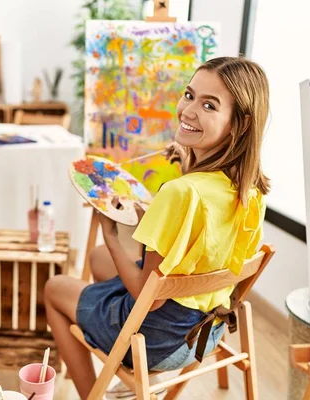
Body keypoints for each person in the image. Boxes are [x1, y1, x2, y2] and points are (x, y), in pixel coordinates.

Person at [45, 56, 270, 399]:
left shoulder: (180, 192)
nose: (188, 110)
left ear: (239, 124)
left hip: (156, 340)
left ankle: (94, 393)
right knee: (101, 258)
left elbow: (145, 297)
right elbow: (202, 235)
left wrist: (110, 230)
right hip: (205, 331)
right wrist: (186, 163)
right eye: (189, 94)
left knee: (55, 287)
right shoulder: (249, 190)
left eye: (209, 105)